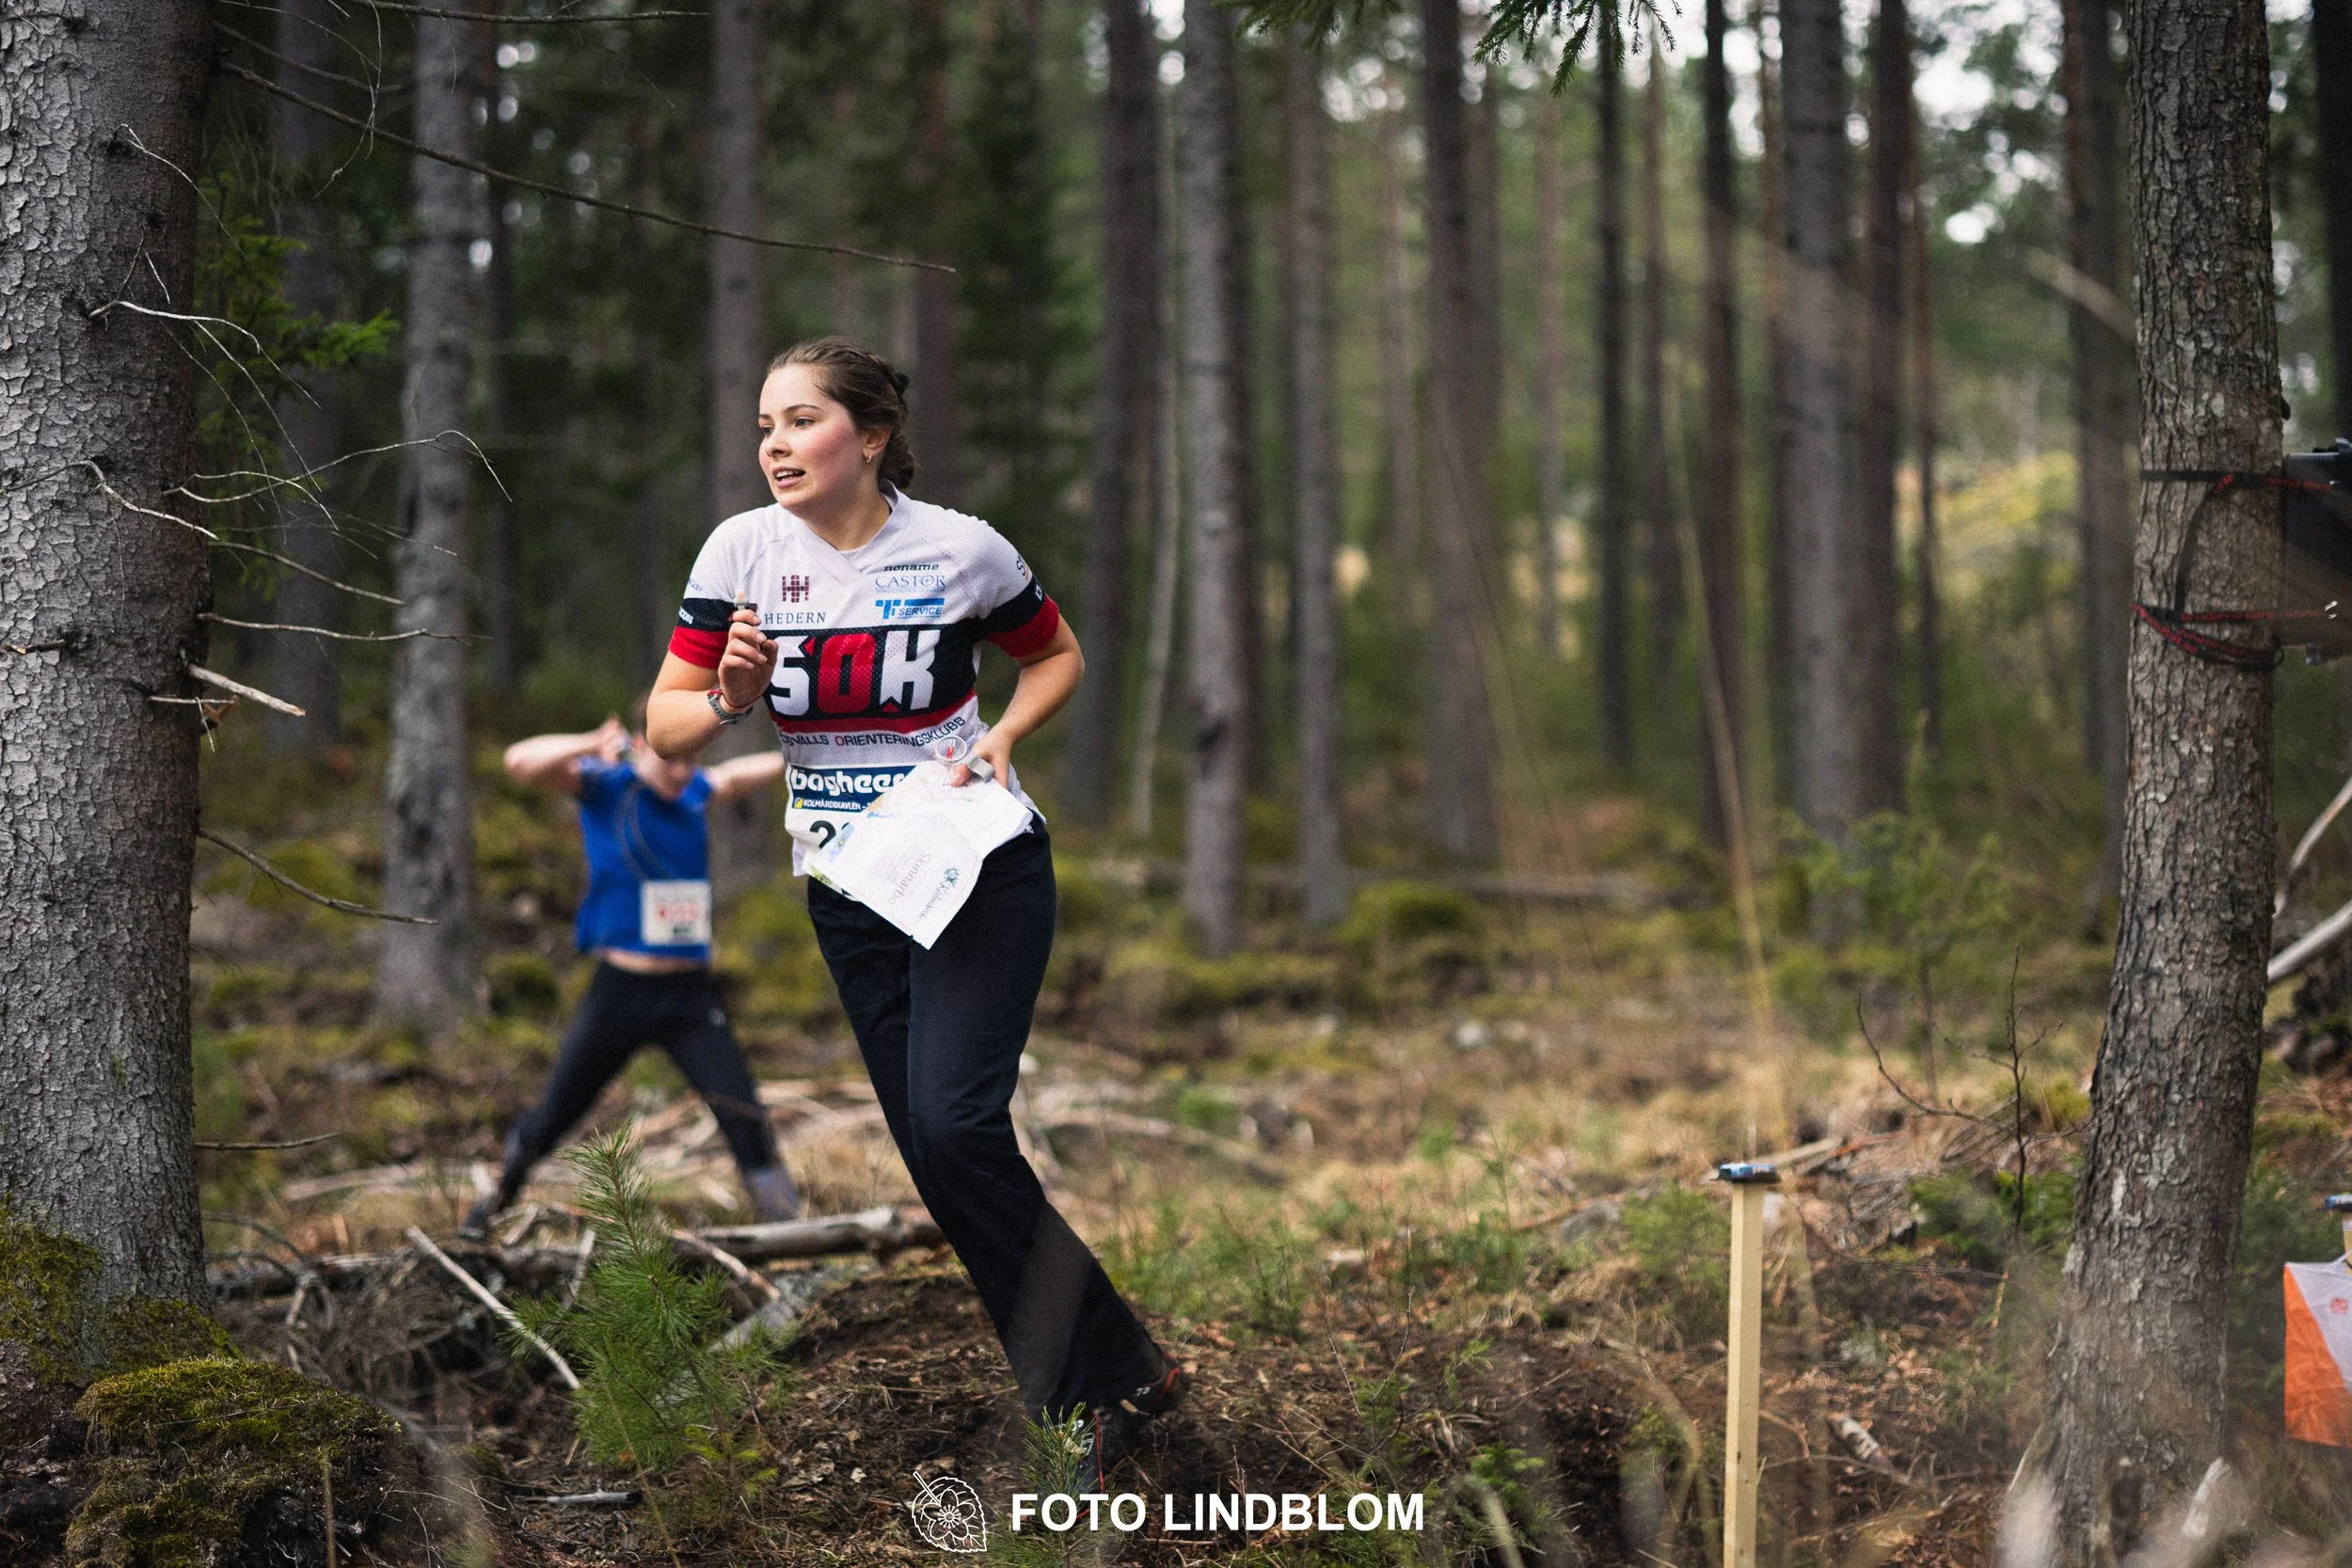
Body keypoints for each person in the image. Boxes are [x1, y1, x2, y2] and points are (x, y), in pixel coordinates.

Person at [644, 336, 1184, 1487]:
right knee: (939, 1158)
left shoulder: (958, 548)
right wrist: (734, 694)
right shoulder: (744, 552)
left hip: (973, 863)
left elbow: (1057, 656)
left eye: (799, 422)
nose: (775, 445)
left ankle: (1083, 1390)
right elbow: (668, 729)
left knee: (953, 1126)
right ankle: (1119, 1367)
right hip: (848, 887)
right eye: (763, 427)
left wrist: (999, 736)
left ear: (871, 435)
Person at [462, 714, 803, 1235]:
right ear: (643, 746)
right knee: (556, 1112)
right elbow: (519, 762)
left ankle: (790, 1228)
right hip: (619, 993)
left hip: (689, 997)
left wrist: (803, 754)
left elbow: (735, 776)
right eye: (673, 759)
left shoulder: (693, 792)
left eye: (693, 759)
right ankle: (495, 1203)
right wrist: (590, 741)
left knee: (742, 1112)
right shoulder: (604, 786)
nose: (684, 771)